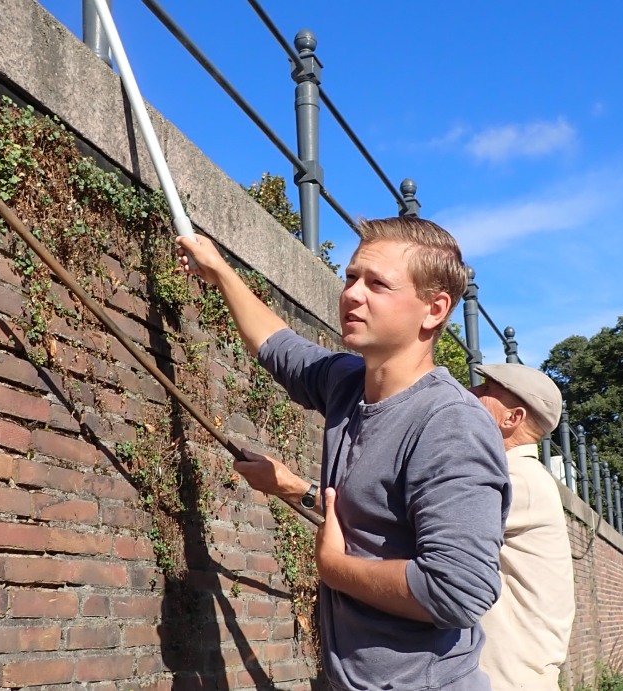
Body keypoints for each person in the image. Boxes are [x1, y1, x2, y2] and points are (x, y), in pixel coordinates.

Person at [177, 217, 510, 690]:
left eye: (378, 284)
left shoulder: (450, 424)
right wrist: (222, 273)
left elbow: (458, 590)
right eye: (352, 277)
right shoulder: (347, 383)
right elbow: (279, 347)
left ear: (434, 309)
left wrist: (334, 568)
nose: (353, 294)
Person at [468, 364, 575, 691]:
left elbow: (412, 526)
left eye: (484, 391)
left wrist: (311, 495)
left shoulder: (517, 482)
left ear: (512, 418)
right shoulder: (523, 478)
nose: (470, 393)